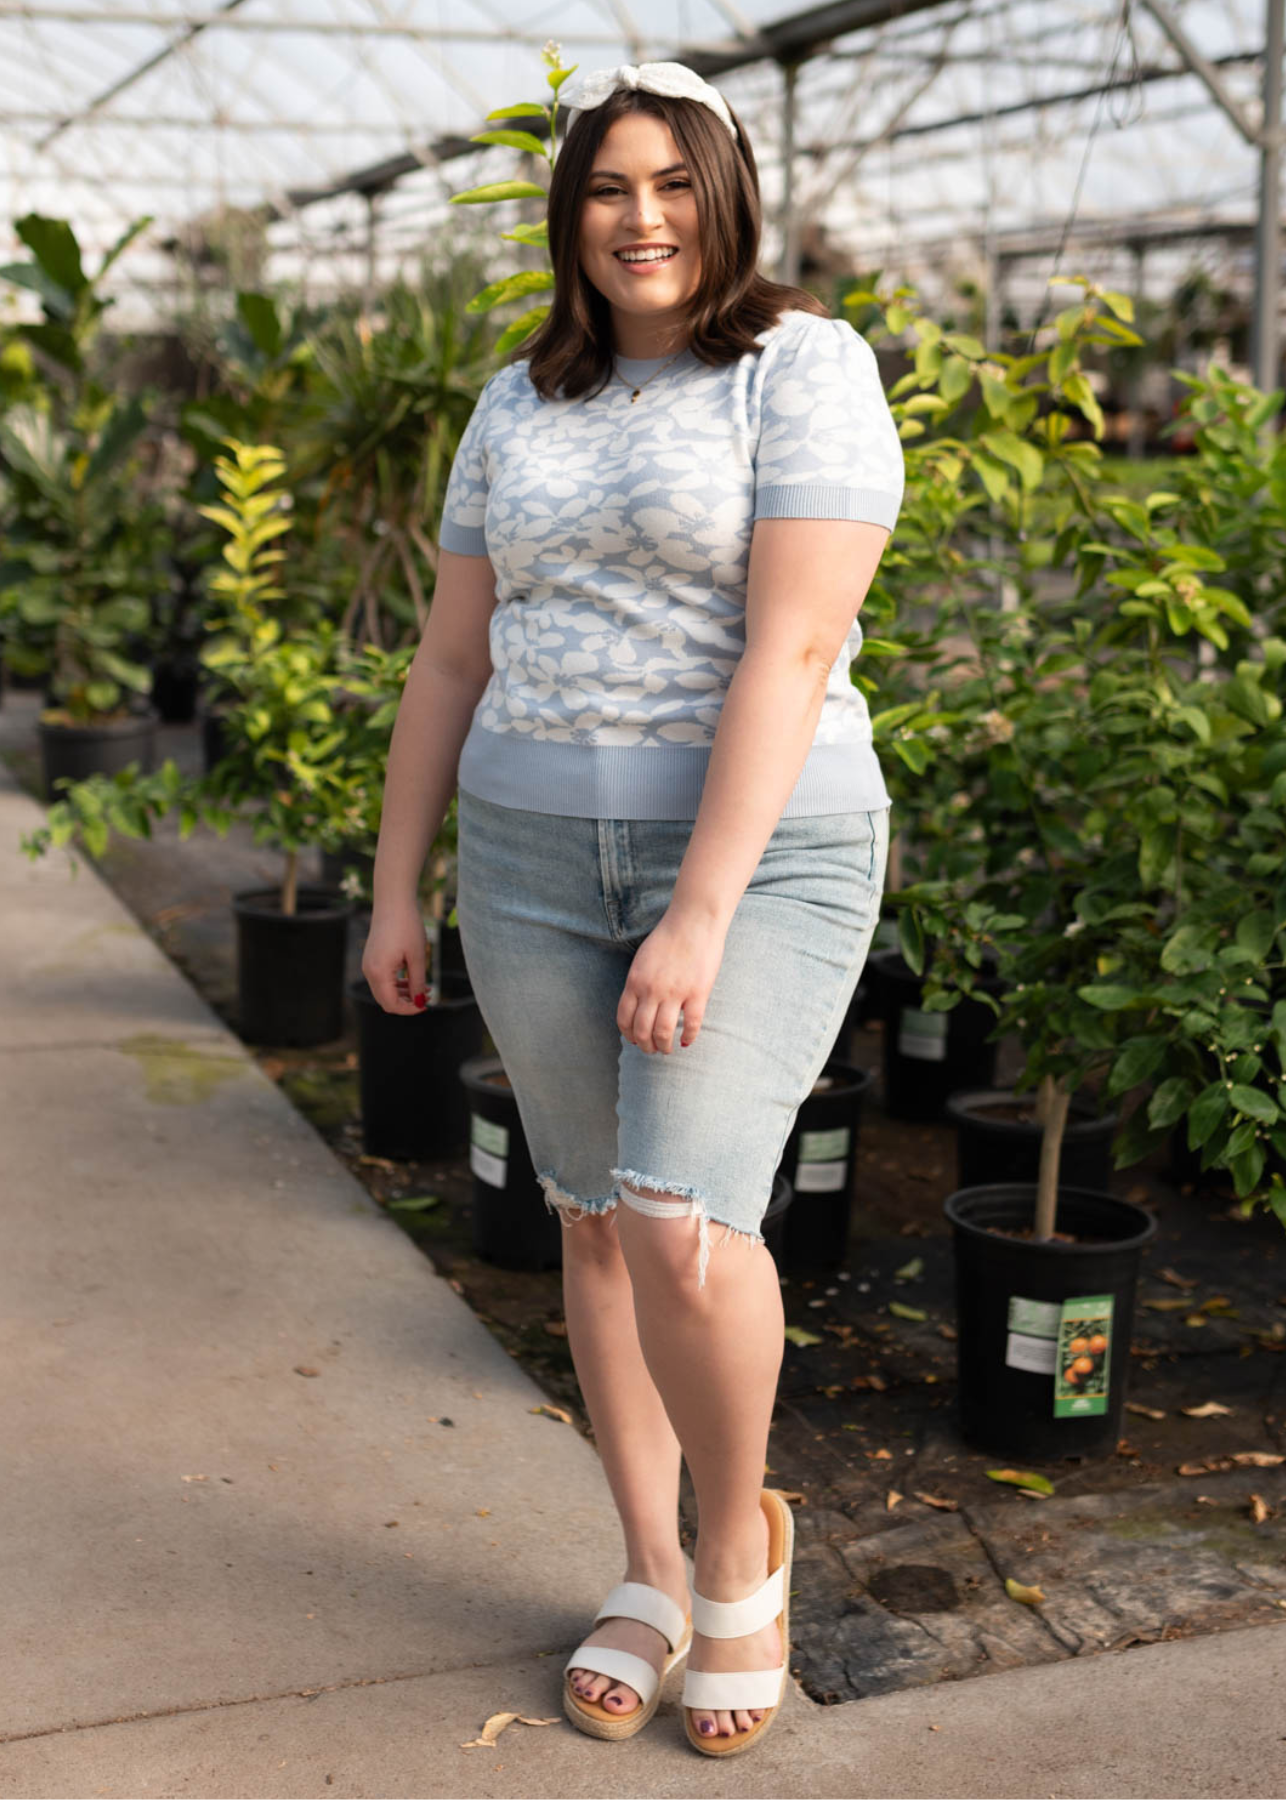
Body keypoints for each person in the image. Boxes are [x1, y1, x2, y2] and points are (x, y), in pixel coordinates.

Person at [361, 59, 904, 1759]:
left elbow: (794, 646)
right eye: (607, 188)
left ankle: (740, 1553)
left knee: (682, 1214)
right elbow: (452, 656)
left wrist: (698, 910)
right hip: (527, 859)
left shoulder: (798, 368)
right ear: (570, 215)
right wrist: (398, 884)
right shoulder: (516, 398)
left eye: (671, 182)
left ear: (721, 195)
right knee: (591, 1214)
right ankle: (648, 1571)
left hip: (755, 851)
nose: (640, 217)